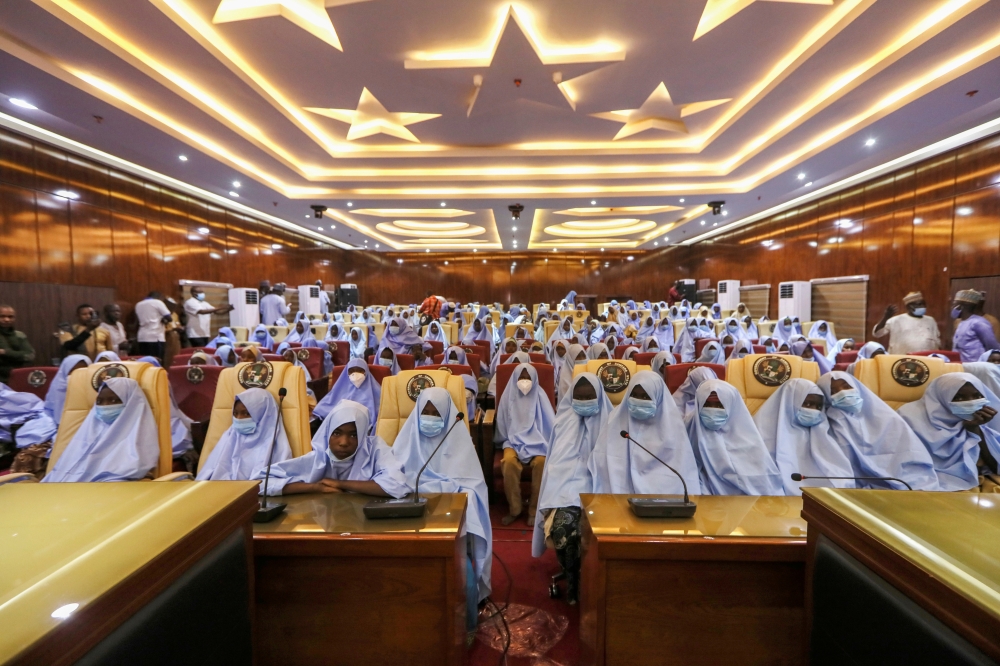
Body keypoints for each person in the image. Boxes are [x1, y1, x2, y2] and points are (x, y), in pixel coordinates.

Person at [391, 387, 492, 602]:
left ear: (446, 416)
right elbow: (393, 479)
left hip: (449, 513)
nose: (430, 418)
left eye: (436, 414)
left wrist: (443, 490)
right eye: (425, 413)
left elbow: (472, 485)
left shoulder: (458, 439)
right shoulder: (406, 440)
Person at [531, 372, 611, 602]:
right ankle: (574, 585)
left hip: (601, 494)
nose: (584, 402)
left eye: (589, 397)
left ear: (599, 397)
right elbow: (554, 468)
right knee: (566, 529)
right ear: (571, 397)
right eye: (580, 397)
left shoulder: (613, 423)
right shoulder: (562, 423)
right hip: (564, 494)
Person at [815, 371, 939, 490]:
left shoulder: (887, 415)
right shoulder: (829, 423)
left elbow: (910, 451)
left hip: (903, 477)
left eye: (846, 387)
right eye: (833, 391)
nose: (842, 393)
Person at [259, 400, 407, 498]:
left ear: (363, 436)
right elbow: (259, 483)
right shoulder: (318, 458)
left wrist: (341, 484)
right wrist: (315, 488)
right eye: (336, 433)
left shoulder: (375, 449)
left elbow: (398, 484)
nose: (343, 442)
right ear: (327, 433)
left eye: (354, 435)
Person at [589, 371, 702, 496]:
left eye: (645, 397)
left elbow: (682, 473)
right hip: (618, 497)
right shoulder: (615, 421)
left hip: (664, 502)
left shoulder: (674, 427)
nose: (639, 400)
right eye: (634, 395)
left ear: (658, 398)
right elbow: (601, 462)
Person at [43, 378, 160, 482]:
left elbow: (128, 473)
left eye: (114, 401)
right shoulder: (88, 431)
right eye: (99, 402)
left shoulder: (139, 437)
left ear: (130, 403)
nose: (105, 406)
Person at [898, 373, 1000, 491]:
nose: (971, 402)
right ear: (941, 397)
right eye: (959, 398)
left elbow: (994, 466)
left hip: (973, 485)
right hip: (925, 483)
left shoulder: (979, 418)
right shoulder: (909, 417)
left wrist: (974, 429)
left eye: (977, 396)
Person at [753, 378, 855, 495]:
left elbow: (839, 471)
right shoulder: (762, 431)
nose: (814, 410)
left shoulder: (820, 431)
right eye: (807, 404)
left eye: (818, 406)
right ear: (789, 402)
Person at [686, 380, 783, 495]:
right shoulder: (689, 425)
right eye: (707, 405)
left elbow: (763, 480)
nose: (713, 410)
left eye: (719, 405)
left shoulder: (747, 433)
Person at [496, 364, 555, 526]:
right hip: (512, 441)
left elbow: (550, 423)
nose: (524, 381)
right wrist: (504, 440)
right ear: (515, 379)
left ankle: (534, 511)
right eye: (521, 377)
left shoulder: (540, 396)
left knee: (542, 463)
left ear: (534, 379)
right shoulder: (508, 396)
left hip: (538, 440)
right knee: (508, 463)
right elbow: (501, 422)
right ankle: (515, 509)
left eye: (528, 378)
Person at [196, 388, 292, 480]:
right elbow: (208, 474)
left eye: (246, 413)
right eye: (235, 413)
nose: (239, 418)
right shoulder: (231, 435)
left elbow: (277, 481)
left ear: (263, 414)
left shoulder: (276, 443)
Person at [870, 291, 940, 354]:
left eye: (923, 304)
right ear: (908, 307)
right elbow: (877, 333)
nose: (922, 307)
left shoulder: (930, 320)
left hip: (926, 360)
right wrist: (885, 317)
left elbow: (937, 341)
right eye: (918, 305)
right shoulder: (896, 320)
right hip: (901, 359)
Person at [953, 290, 1000, 363]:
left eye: (954, 305)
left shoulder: (979, 322)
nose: (952, 308)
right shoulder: (961, 322)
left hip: (976, 367)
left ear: (960, 307)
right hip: (961, 367)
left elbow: (992, 347)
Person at [44, 354, 91, 426]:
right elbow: (56, 414)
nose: (77, 374)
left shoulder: (92, 388)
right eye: (73, 371)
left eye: (82, 371)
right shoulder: (60, 387)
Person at [0, 305, 35, 383]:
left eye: (10, 317)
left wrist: (4, 352)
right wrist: (18, 355)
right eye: (2, 316)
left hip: (17, 376)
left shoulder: (19, 335)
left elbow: (30, 356)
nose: (6, 319)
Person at [134, 292, 172, 359]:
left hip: (142, 337)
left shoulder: (138, 304)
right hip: (155, 337)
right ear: (160, 297)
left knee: (146, 361)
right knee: (157, 361)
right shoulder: (158, 302)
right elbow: (169, 318)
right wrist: (164, 320)